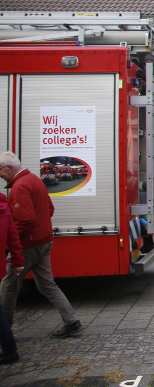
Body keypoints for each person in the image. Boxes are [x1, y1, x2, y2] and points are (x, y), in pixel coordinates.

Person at [0, 151, 83, 338]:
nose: (0, 174)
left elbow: (25, 220)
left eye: (1, 170)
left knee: (8, 288)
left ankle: (4, 332)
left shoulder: (19, 187)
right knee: (47, 285)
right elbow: (50, 209)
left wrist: (10, 240)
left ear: (9, 167)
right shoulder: (35, 180)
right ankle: (72, 322)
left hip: (26, 246)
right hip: (43, 242)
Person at [0, 193, 23, 364]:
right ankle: (9, 349)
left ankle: (9, 349)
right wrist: (16, 259)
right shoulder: (4, 207)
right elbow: (12, 234)